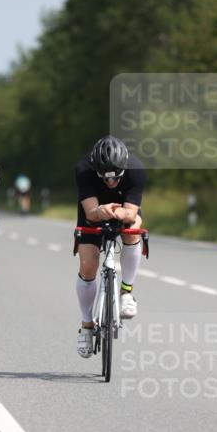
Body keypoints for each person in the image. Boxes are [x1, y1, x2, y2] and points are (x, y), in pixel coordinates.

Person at [74, 135, 147, 358]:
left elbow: (132, 212)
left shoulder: (135, 169)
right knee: (88, 265)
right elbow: (90, 212)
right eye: (105, 178)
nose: (111, 183)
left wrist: (122, 214)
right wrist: (100, 211)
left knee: (133, 228)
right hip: (94, 210)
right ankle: (87, 326)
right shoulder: (84, 169)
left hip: (124, 208)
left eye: (115, 178)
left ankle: (127, 292)